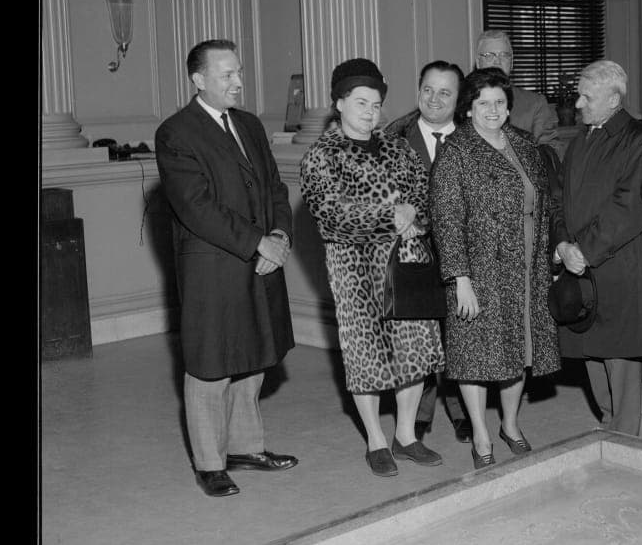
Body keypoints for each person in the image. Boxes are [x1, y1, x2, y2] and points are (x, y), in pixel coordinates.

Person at [155, 39, 298, 498]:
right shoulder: (176, 132)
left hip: (260, 259)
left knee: (254, 357)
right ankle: (209, 463)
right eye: (227, 75)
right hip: (213, 267)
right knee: (211, 366)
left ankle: (246, 447)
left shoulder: (251, 125)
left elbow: (275, 187)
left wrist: (278, 237)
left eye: (239, 72)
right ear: (198, 80)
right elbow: (198, 208)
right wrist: (258, 241)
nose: (239, 82)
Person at [299, 58, 445, 477]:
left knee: (415, 353)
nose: (370, 111)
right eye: (360, 102)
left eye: (376, 103)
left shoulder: (397, 147)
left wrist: (414, 216)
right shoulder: (322, 156)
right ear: (339, 103)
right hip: (355, 269)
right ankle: (375, 440)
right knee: (366, 356)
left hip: (407, 263)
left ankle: (406, 436)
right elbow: (329, 212)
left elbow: (423, 192)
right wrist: (388, 214)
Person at [430, 67, 561, 468]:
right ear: (468, 108)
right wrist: (460, 279)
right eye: (483, 103)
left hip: (526, 267)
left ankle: (510, 424)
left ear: (508, 109)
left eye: (499, 103)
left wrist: (550, 255)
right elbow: (446, 218)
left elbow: (545, 205)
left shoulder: (523, 144)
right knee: (475, 356)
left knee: (518, 350)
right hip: (479, 271)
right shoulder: (457, 151)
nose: (492, 110)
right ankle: (482, 437)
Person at [552, 60, 642, 436]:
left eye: (586, 96)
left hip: (617, 267)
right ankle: (607, 432)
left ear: (614, 98)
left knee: (621, 363)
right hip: (579, 265)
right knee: (590, 355)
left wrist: (585, 249)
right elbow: (559, 198)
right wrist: (563, 244)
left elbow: (628, 205)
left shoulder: (639, 137)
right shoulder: (581, 140)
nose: (577, 104)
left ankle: (626, 441)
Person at [382, 60, 472, 445]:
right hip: (413, 253)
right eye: (428, 90)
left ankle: (462, 410)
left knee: (461, 333)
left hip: (464, 254)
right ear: (418, 90)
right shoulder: (394, 136)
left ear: (459, 99)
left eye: (445, 92)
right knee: (419, 334)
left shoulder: (473, 139)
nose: (434, 99)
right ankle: (419, 414)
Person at [474, 29, 560, 148]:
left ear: (512, 62)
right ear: (478, 62)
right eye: (489, 56)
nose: (497, 61)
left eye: (504, 55)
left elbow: (550, 153)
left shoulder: (535, 104)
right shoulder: (462, 103)